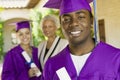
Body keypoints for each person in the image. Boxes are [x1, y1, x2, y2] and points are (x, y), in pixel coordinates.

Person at [41, 0, 120, 80]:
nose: (74, 23)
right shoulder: (52, 65)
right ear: (61, 25)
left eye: (81, 17)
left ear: (91, 20)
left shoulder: (116, 59)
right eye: (66, 19)